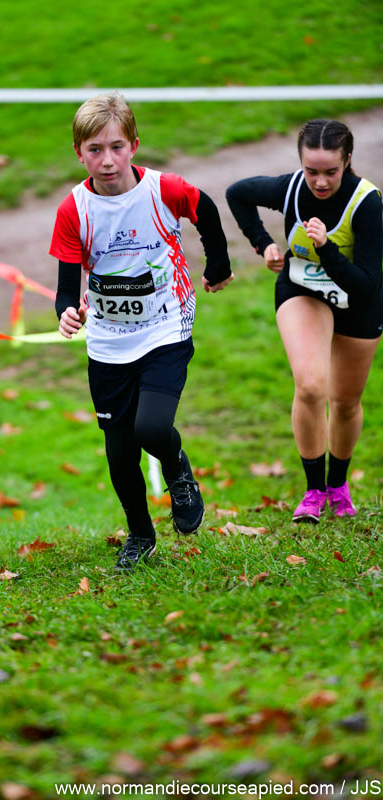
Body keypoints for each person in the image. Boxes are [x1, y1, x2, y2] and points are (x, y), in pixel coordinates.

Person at [50, 91, 233, 569]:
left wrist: (218, 264)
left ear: (134, 145)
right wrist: (66, 312)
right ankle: (140, 534)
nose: (107, 161)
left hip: (165, 325)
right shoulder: (74, 209)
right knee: (119, 451)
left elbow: (206, 209)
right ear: (79, 153)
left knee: (151, 426)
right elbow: (67, 287)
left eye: (116, 147)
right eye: (95, 150)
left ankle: (178, 471)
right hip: (109, 339)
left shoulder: (162, 190)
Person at [226, 119, 382, 523]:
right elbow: (237, 193)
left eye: (331, 171)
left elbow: (366, 286)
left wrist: (326, 248)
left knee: (345, 401)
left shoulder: (367, 203)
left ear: (347, 161)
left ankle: (338, 486)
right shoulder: (292, 188)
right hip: (304, 289)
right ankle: (314, 492)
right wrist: (264, 244)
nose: (320, 182)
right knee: (311, 385)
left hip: (358, 300)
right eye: (311, 170)